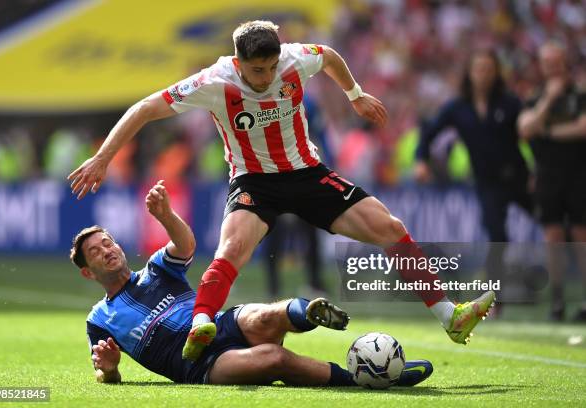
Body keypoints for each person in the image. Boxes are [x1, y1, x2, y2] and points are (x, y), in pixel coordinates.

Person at [68, 20, 495, 361]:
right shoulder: (215, 81)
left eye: (272, 68)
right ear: (238, 62)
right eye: (257, 70)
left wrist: (355, 94)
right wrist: (104, 158)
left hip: (307, 173)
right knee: (232, 248)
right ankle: (201, 322)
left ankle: (449, 317)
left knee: (391, 226)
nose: (267, 77)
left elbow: (328, 55)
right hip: (254, 182)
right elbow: (145, 108)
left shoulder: (293, 60)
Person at [73, 179, 434, 386]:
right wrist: (111, 368)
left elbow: (185, 245)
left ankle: (309, 310)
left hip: (213, 325)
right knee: (273, 357)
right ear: (88, 272)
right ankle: (367, 379)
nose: (107, 250)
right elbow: (105, 375)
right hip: (197, 366)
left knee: (263, 317)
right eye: (96, 252)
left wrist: (166, 216)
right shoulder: (99, 319)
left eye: (108, 242)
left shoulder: (155, 269)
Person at [415, 49, 533, 316]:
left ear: (496, 73)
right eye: (478, 68)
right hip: (487, 183)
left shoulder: (510, 103)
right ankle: (496, 301)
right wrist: (421, 160)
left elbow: (530, 137)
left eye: (488, 68)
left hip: (519, 178)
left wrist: (538, 172)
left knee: (555, 225)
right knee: (497, 237)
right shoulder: (458, 108)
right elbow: (429, 132)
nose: (483, 74)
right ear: (469, 73)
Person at [517, 41, 586, 322]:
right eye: (547, 65)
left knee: (582, 236)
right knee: (553, 237)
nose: (552, 70)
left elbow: (583, 128)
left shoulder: (580, 95)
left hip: (579, 173)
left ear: (565, 64)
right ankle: (557, 301)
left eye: (556, 64)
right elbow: (525, 128)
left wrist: (546, 130)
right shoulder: (536, 97)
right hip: (547, 176)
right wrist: (549, 100)